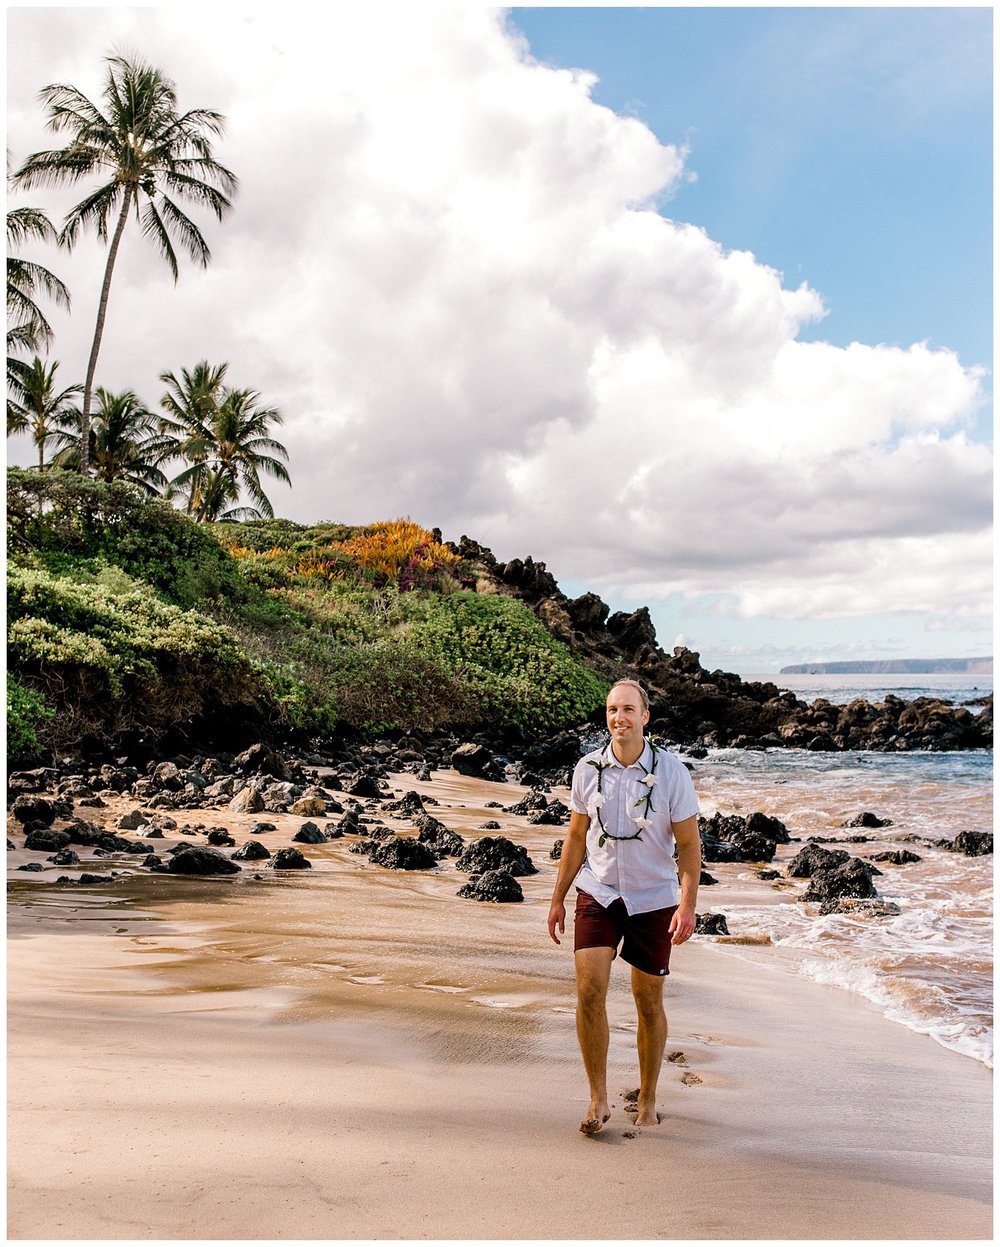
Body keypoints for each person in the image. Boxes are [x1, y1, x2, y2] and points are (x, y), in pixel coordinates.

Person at [547, 678, 701, 1135]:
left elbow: (689, 844)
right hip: (599, 891)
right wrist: (557, 897)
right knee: (589, 991)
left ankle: (648, 1095)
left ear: (645, 716)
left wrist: (687, 905)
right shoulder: (586, 768)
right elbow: (576, 836)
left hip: (654, 898)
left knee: (647, 1002)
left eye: (629, 709)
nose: (620, 718)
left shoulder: (671, 772)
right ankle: (598, 1099)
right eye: (613, 710)